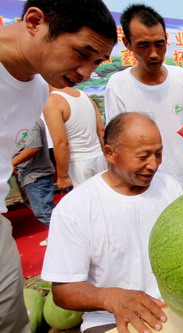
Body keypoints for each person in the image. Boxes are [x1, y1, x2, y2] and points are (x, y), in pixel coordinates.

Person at [0, 0, 116, 331]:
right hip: (85, 165)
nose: (86, 73)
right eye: (82, 54)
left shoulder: (37, 91)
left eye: (97, 62)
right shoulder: (120, 86)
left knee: (11, 319)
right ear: (35, 22)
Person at [41, 112, 183, 333]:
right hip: (110, 321)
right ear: (110, 153)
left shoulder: (171, 188)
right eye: (143, 156)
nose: (153, 165)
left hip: (177, 310)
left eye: (158, 153)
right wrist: (111, 298)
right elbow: (63, 291)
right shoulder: (76, 207)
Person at [105, 4, 183, 191]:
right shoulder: (118, 84)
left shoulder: (179, 75)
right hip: (148, 184)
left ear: (166, 39)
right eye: (143, 45)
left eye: (159, 44)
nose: (153, 54)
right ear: (127, 43)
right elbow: (118, 141)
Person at [43, 86, 106, 190]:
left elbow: (61, 143)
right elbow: (101, 130)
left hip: (77, 165)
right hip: (99, 159)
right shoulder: (84, 95)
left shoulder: (52, 101)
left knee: (84, 204)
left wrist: (62, 176)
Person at [11, 118, 55, 241]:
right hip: (30, 174)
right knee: (44, 209)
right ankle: (58, 235)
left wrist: (11, 164)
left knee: (44, 211)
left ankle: (61, 237)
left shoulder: (31, 120)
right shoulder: (24, 119)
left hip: (37, 173)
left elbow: (33, 147)